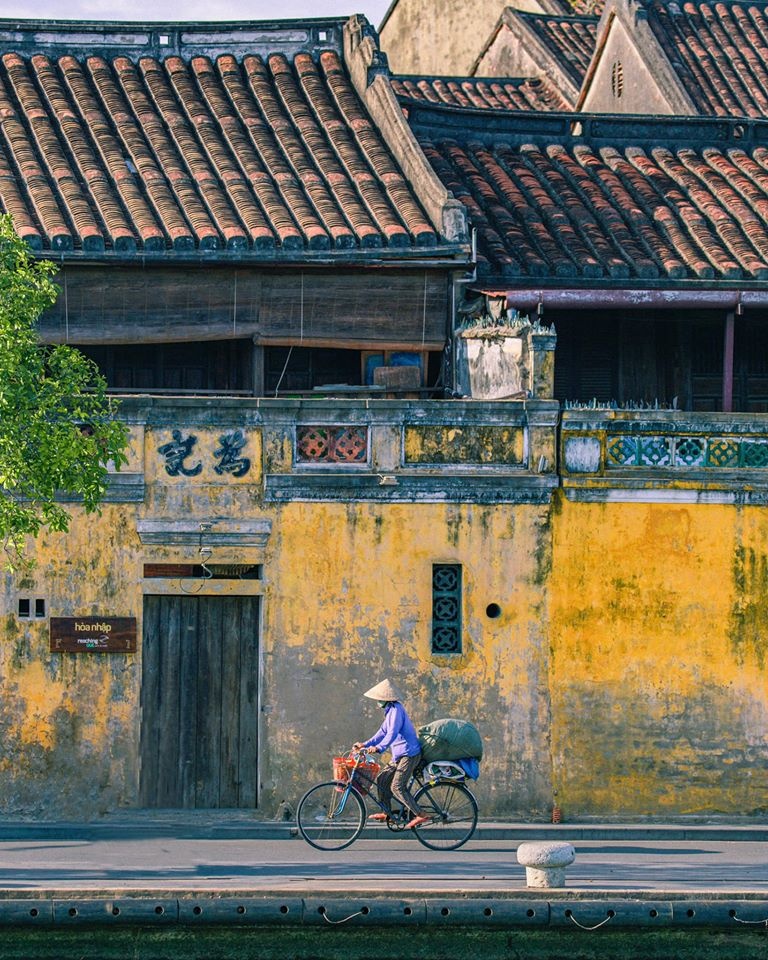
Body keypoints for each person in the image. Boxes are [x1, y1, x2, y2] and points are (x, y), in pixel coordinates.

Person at [353, 678, 430, 829]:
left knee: (397, 786)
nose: (377, 702)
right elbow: (382, 732)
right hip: (399, 756)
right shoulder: (389, 712)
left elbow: (392, 734)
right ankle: (387, 812)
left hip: (409, 754)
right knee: (382, 779)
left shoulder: (396, 710)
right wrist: (365, 744)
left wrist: (379, 748)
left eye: (379, 699)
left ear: (385, 699)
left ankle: (421, 814)